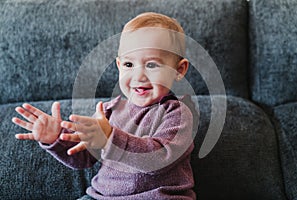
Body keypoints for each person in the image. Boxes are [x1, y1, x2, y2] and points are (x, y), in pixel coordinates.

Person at [12, 12, 196, 199]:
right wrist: (56, 139)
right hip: (100, 196)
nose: (139, 76)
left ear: (179, 70)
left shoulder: (177, 113)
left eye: (151, 65)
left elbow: (160, 159)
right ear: (118, 65)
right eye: (129, 64)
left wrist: (110, 138)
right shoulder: (109, 111)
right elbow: (83, 156)